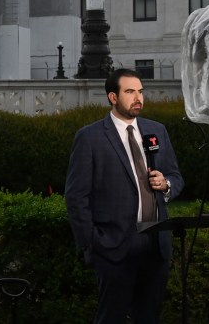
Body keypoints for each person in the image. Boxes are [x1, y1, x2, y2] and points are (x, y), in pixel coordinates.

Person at [65, 68, 184, 324]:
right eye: (130, 91)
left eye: (140, 91)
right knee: (111, 317)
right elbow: (76, 197)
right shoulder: (90, 137)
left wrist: (166, 184)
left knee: (149, 317)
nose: (138, 97)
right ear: (113, 97)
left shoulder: (156, 131)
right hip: (113, 247)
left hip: (155, 245)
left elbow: (176, 177)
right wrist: (91, 244)